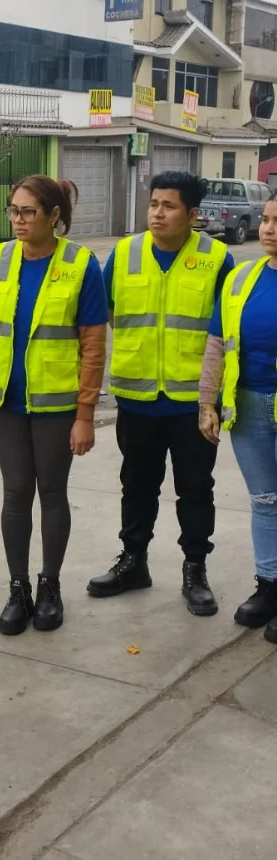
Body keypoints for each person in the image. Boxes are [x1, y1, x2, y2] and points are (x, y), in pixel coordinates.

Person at [88, 171, 234, 614]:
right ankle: (134, 562)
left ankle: (195, 569)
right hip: (137, 398)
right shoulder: (126, 253)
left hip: (193, 404)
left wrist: (213, 399)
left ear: (193, 215)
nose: (157, 213)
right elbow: (106, 313)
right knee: (136, 485)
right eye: (154, 204)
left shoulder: (217, 259)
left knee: (194, 489)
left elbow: (227, 329)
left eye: (169, 206)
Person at [0, 176, 107, 634]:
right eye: (13, 210)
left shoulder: (82, 265)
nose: (17, 220)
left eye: (28, 211)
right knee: (15, 495)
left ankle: (49, 586)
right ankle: (19, 589)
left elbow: (93, 345)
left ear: (55, 216)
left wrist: (85, 415)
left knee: (51, 494)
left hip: (55, 406)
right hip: (6, 402)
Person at [199, 193, 277, 643]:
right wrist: (207, 403)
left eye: (275, 222)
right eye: (265, 220)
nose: (267, 228)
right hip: (247, 406)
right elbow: (217, 343)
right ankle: (269, 586)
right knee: (265, 501)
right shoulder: (242, 278)